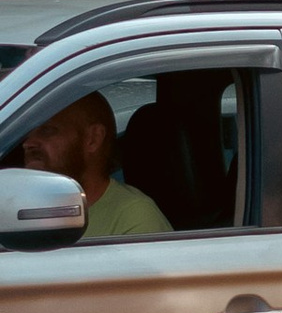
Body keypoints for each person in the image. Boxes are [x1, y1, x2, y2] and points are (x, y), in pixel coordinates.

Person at [19, 91, 171, 241]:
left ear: (93, 139)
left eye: (47, 131)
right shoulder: (21, 210)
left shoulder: (133, 217)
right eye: (27, 133)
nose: (28, 143)